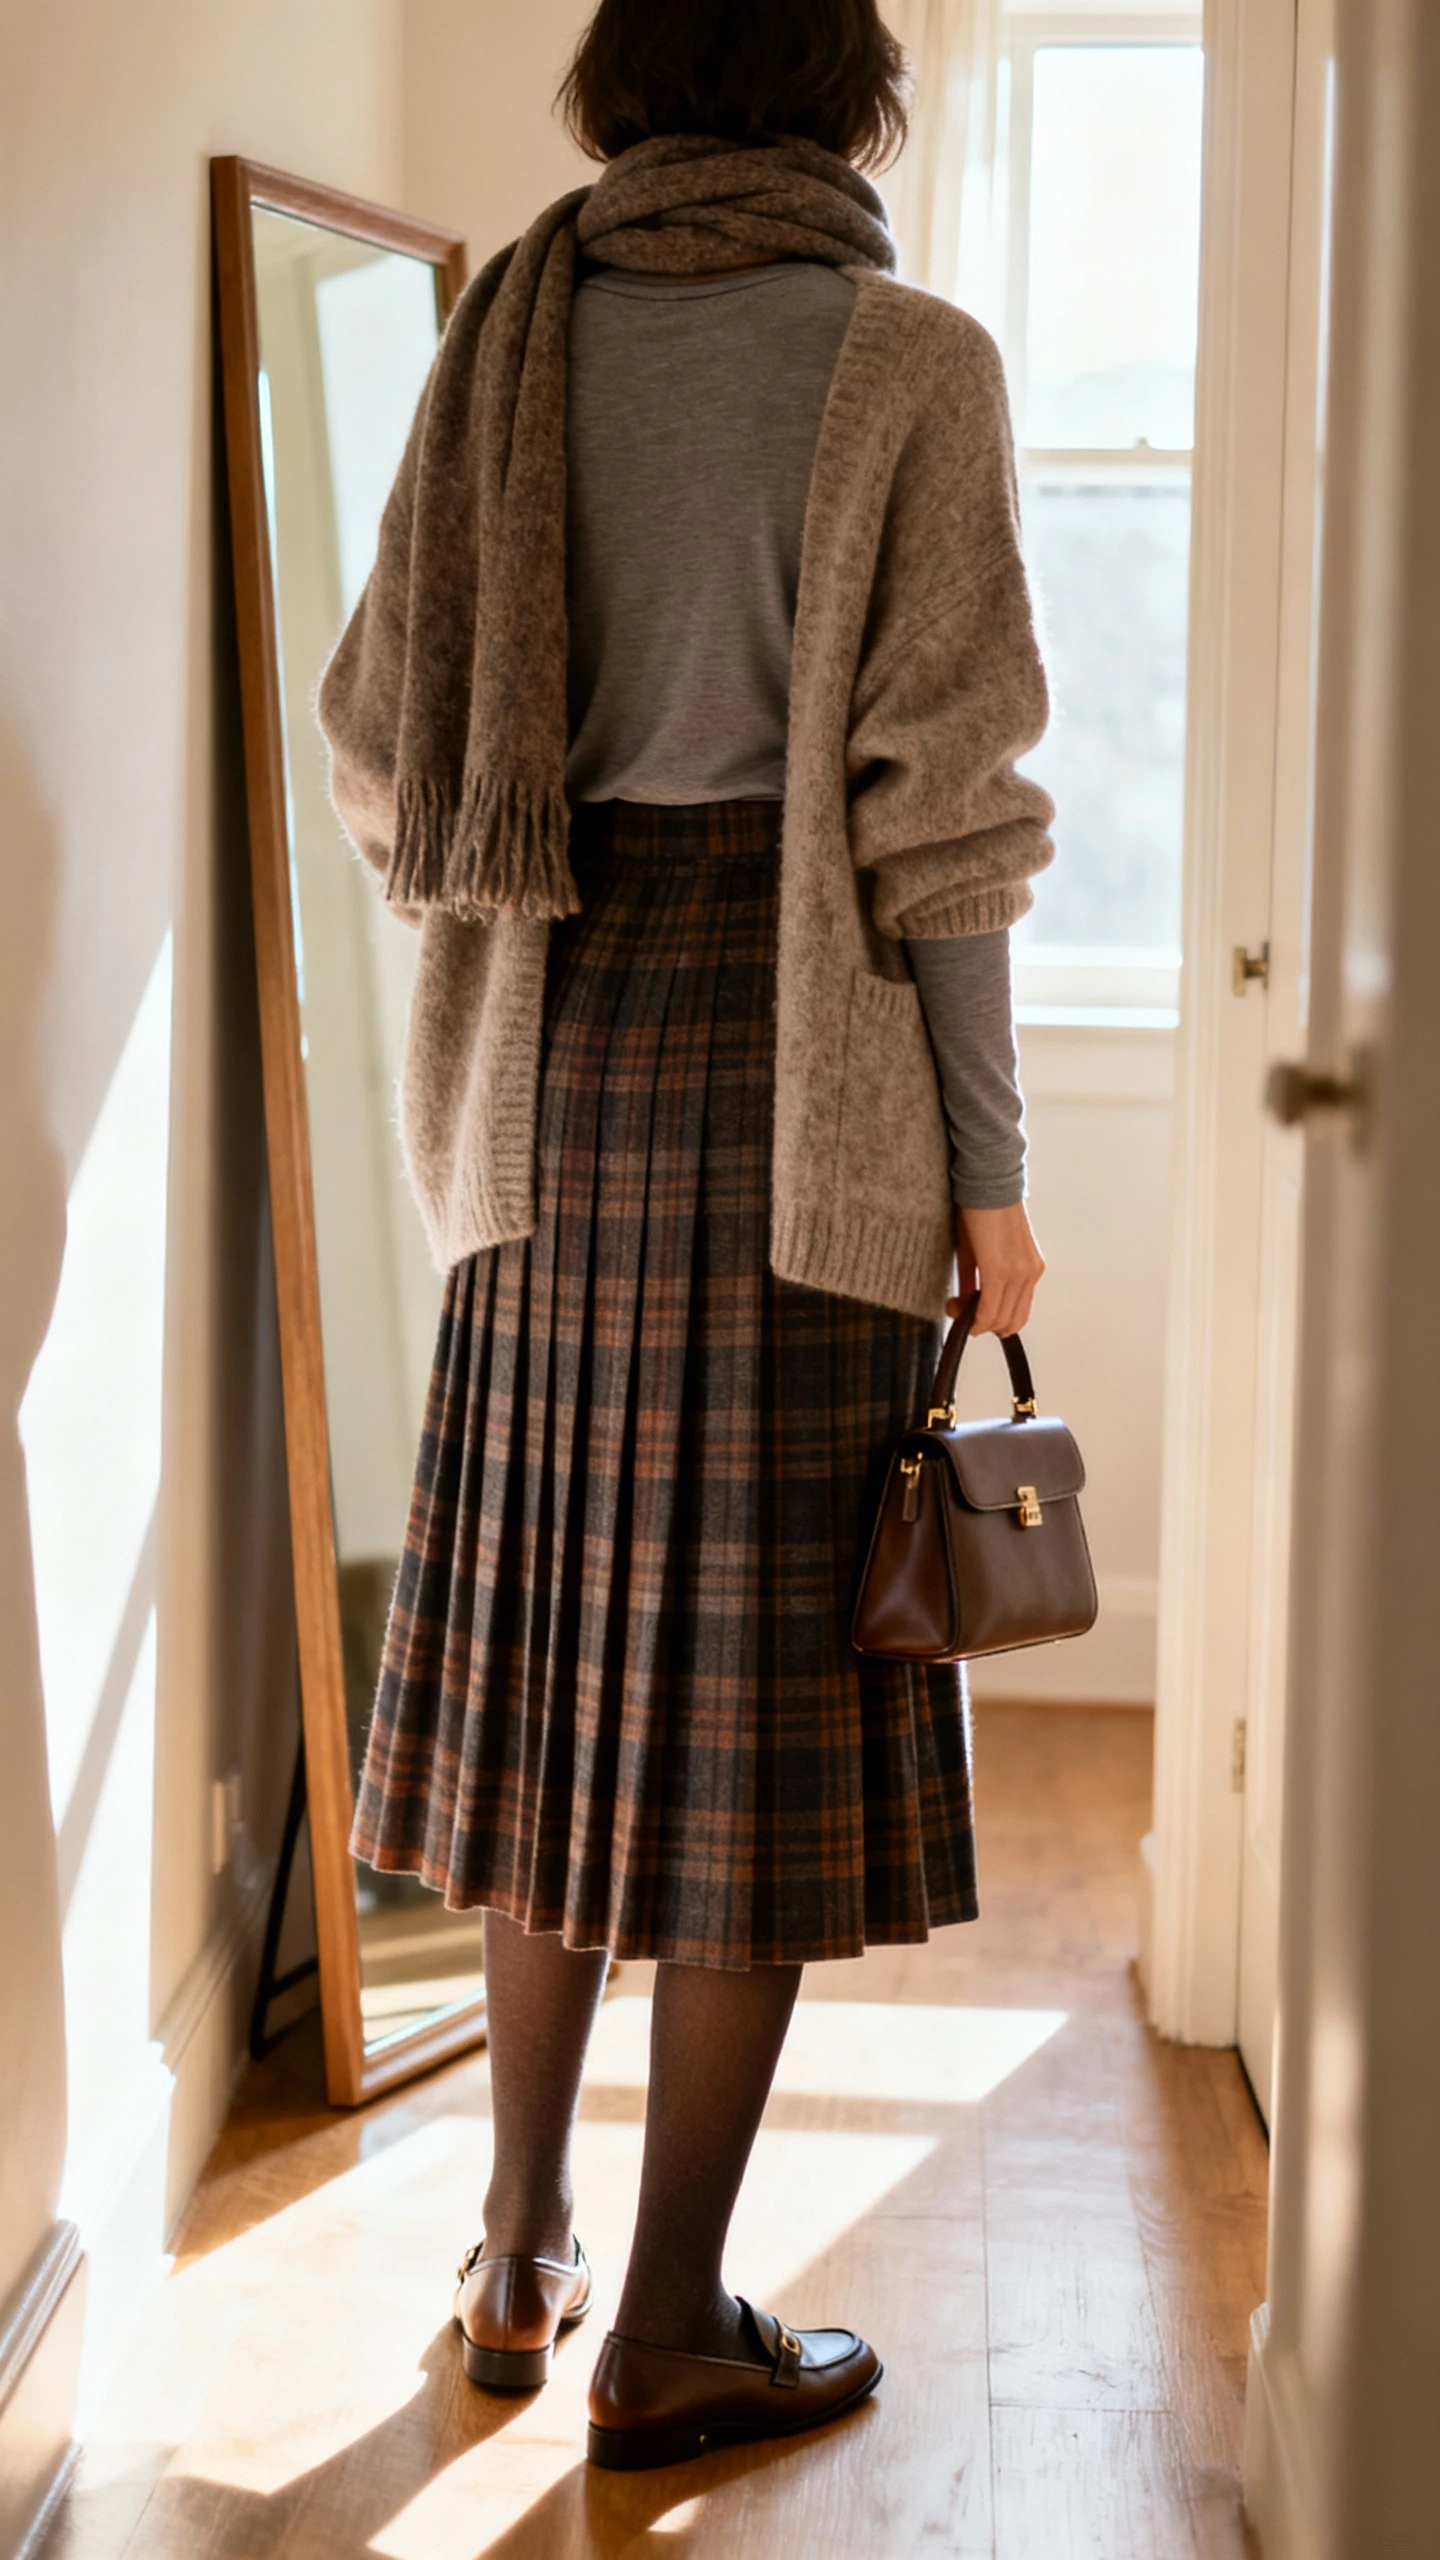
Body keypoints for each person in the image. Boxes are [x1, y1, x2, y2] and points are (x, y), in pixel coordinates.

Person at [319, 0, 1050, 2474]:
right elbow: (946, 829)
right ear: (851, 84)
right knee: (750, 1720)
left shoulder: (508, 331)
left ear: (621, 74)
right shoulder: (914, 364)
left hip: (543, 1078)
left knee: (545, 1682)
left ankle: (516, 2251)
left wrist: (531, 838)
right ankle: (665, 2321)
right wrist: (989, 1178)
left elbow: (380, 740)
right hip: (805, 1085)